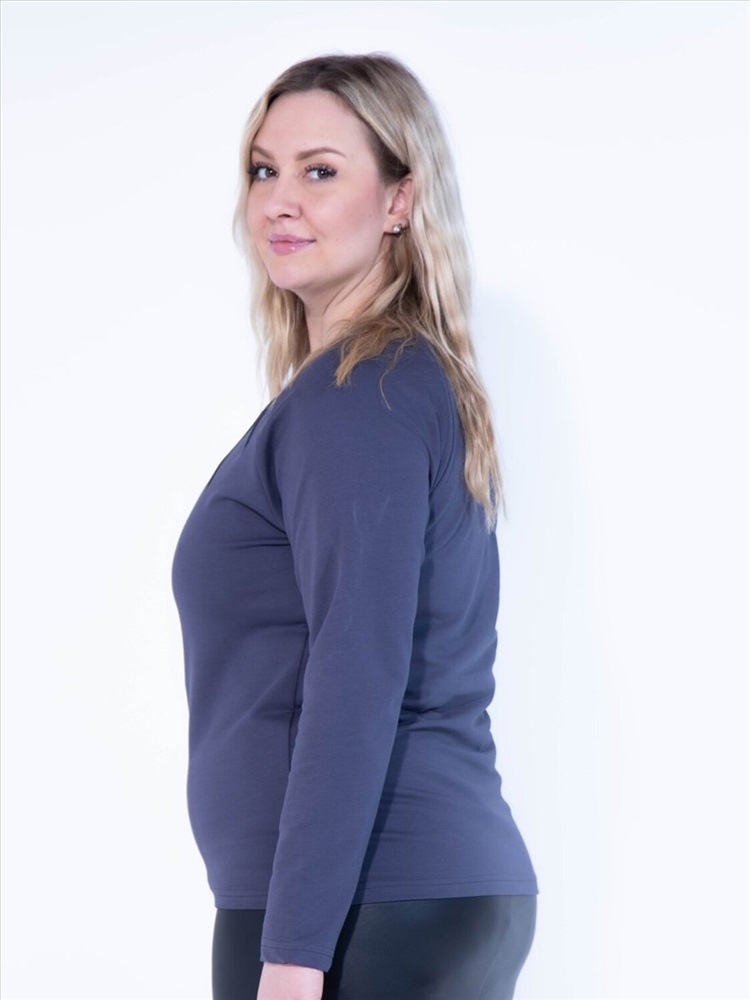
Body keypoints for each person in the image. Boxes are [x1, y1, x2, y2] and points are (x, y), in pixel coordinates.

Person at [172, 53, 539, 1000]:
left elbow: (355, 673)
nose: (280, 201)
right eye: (264, 169)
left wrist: (295, 953)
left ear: (399, 199)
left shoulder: (358, 397)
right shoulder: (392, 384)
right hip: (402, 900)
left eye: (321, 171)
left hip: (356, 913)